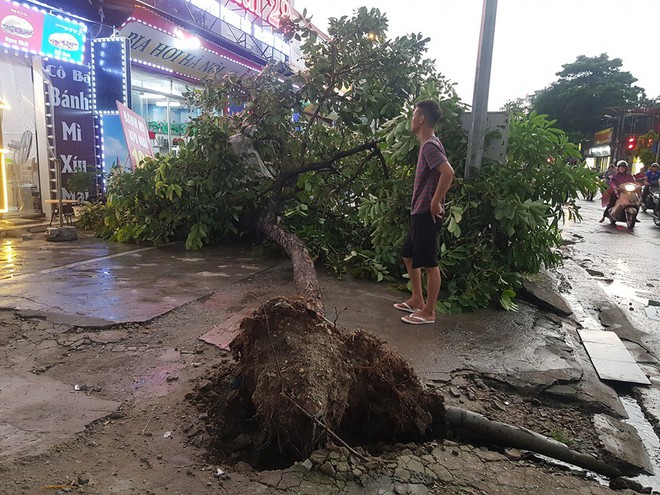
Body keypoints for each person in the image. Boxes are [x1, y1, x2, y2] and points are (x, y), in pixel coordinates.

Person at [393, 100, 455, 325]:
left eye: (413, 115)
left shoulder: (430, 145)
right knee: (408, 254)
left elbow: (448, 173)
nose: (411, 120)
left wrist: (435, 203)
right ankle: (417, 299)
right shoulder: (429, 144)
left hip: (426, 213)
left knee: (430, 263)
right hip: (418, 211)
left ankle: (429, 312)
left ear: (421, 119)